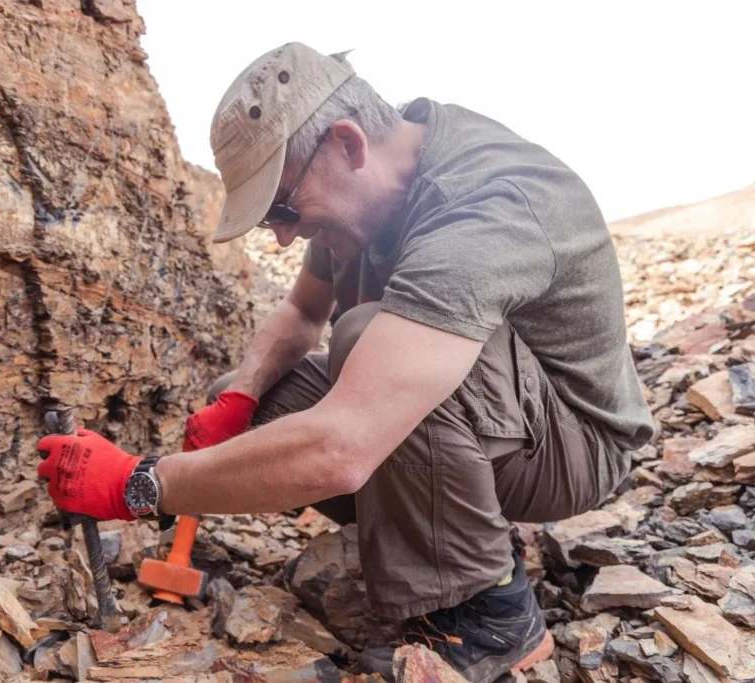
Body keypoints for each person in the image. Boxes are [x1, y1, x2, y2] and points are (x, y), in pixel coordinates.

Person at [36, 42, 655, 682]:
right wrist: (241, 397)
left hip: (575, 446)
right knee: (270, 399)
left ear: (347, 145)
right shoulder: (366, 196)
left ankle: (490, 617)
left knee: (364, 341)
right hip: (500, 428)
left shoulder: (484, 208)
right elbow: (302, 315)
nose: (280, 234)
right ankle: (436, 531)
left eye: (282, 208)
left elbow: (341, 447)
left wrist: (139, 482)